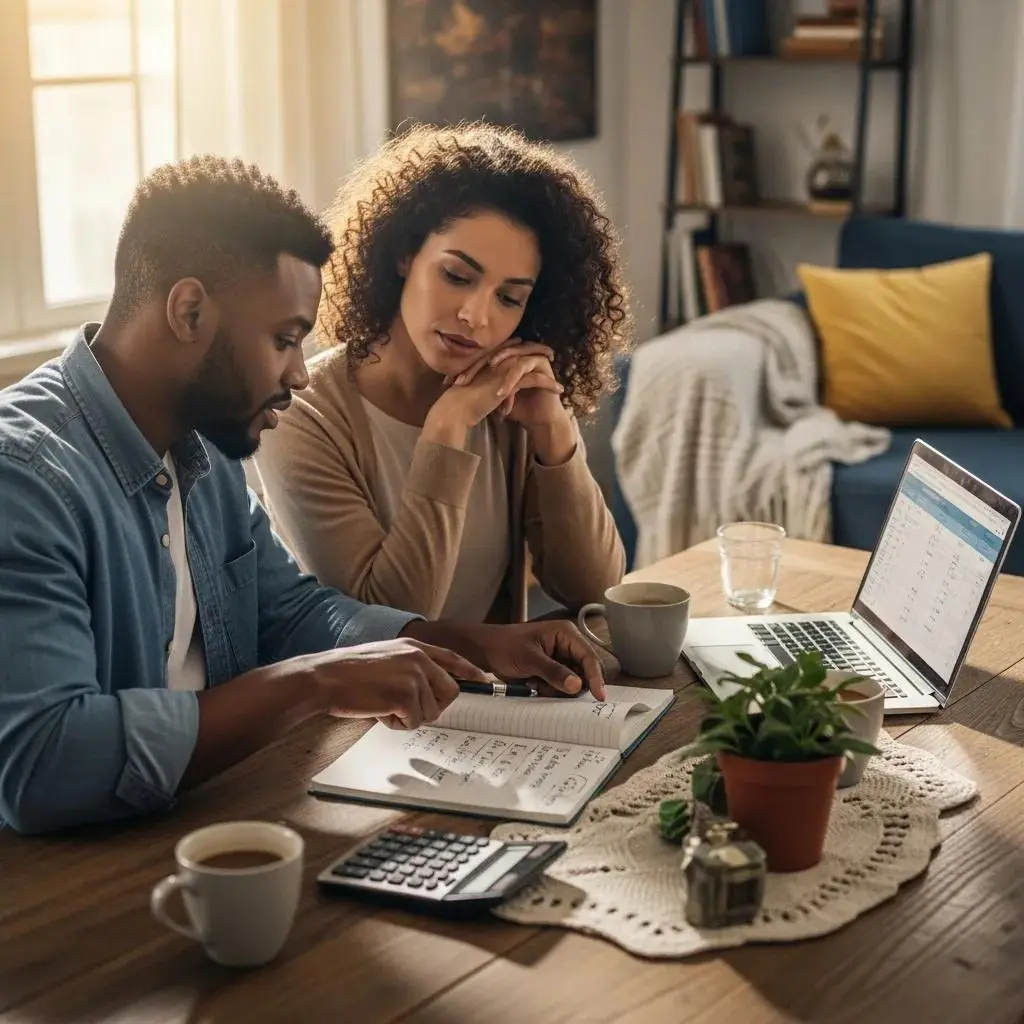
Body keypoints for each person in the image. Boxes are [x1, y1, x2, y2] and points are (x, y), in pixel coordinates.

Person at [0, 156, 605, 836]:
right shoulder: (23, 476)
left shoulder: (202, 444)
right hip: (83, 870)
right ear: (189, 311)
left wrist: (473, 645)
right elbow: (42, 764)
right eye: (284, 340)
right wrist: (318, 683)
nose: (299, 374)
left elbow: (291, 611)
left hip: (223, 815)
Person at [255, 122, 630, 624]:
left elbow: (596, 591)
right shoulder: (302, 415)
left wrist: (554, 432)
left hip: (497, 678)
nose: (476, 316)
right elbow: (386, 626)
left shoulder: (513, 401)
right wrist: (447, 427)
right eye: (456, 276)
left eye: (509, 298)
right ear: (404, 254)